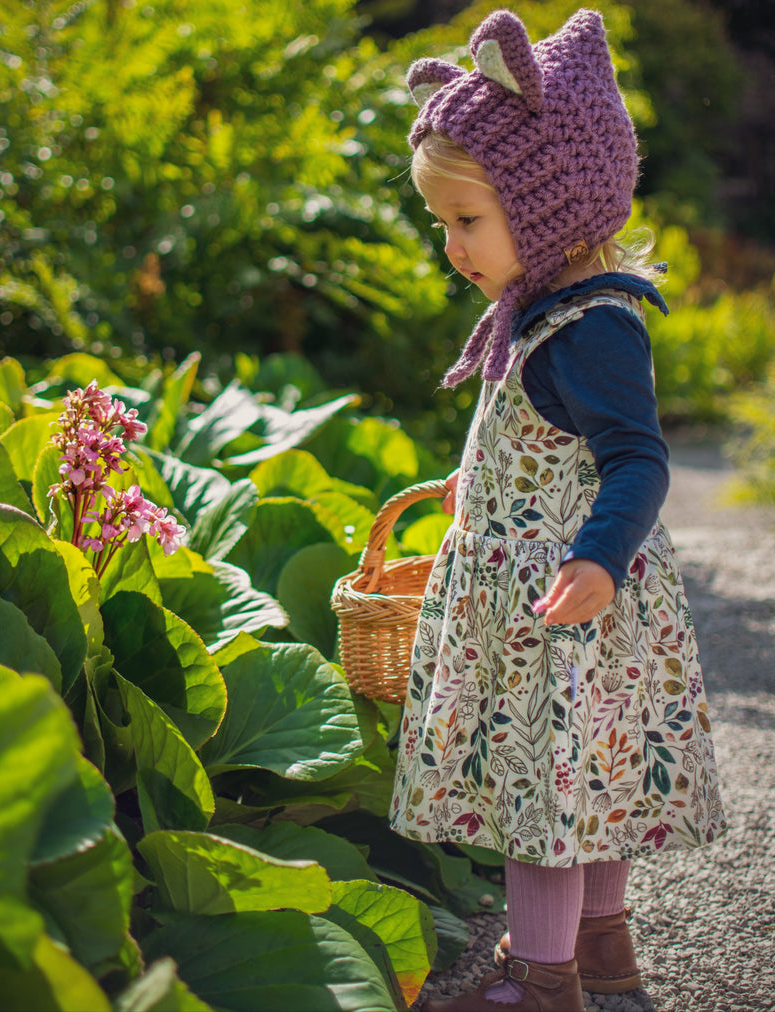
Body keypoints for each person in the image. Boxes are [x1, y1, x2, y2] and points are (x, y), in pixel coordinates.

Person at [389, 9, 727, 1011]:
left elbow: (633, 459)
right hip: (548, 598)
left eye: (465, 220)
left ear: (548, 213)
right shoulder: (537, 311)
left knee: (548, 793)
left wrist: (593, 558)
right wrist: (479, 483)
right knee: (590, 781)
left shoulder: (592, 329)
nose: (450, 245)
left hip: (565, 603)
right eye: (440, 223)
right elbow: (541, 438)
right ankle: (600, 947)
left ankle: (539, 978)